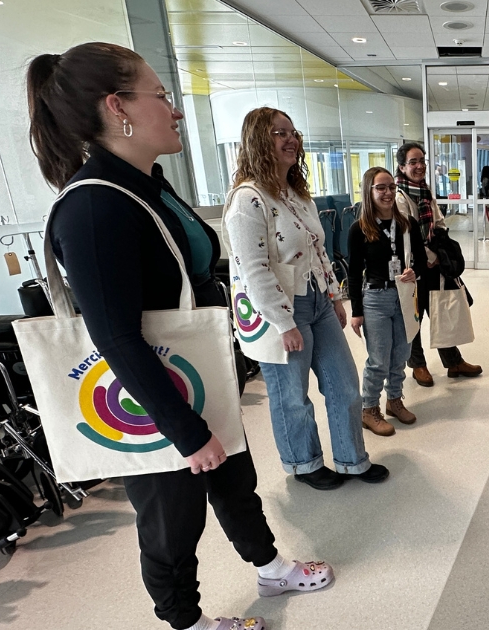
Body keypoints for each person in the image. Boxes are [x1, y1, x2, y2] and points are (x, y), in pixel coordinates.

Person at [27, 43, 329, 630]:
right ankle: (185, 621)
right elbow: (114, 336)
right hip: (151, 399)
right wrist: (185, 430)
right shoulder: (94, 208)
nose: (176, 110)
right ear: (119, 107)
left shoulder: (148, 185)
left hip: (194, 375)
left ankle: (269, 567)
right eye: (162, 96)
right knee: (171, 518)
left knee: (236, 482)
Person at [223, 106, 388, 491]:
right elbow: (253, 269)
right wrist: (283, 322)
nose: (291, 139)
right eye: (280, 133)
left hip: (316, 300)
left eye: (293, 132)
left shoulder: (297, 195)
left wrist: (334, 295)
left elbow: (318, 250)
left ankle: (352, 459)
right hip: (281, 309)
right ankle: (304, 463)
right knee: (292, 396)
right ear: (257, 141)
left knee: (344, 385)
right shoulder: (248, 200)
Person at [393, 143, 482, 387]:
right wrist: (430, 256)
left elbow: (438, 223)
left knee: (442, 312)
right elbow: (406, 236)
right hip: (412, 269)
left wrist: (440, 250)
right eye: (413, 162)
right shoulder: (398, 196)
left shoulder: (425, 191)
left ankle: (453, 362)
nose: (419, 166)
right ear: (402, 166)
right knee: (414, 318)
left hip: (434, 265)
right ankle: (418, 365)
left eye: (422, 160)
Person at [347, 167, 424, 435]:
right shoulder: (359, 229)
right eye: (381, 188)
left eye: (391, 187)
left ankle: (394, 400)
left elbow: (422, 262)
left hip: (403, 297)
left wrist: (416, 271)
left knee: (400, 355)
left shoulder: (407, 224)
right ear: (369, 192)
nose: (388, 192)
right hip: (376, 299)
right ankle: (369, 409)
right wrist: (357, 311)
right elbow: (354, 273)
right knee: (378, 359)